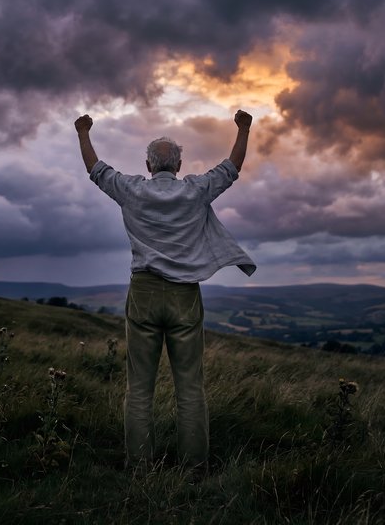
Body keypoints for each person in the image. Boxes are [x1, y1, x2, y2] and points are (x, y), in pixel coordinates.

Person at [74, 110, 256, 472]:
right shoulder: (195, 190)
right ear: (179, 164)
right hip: (184, 295)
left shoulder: (131, 189)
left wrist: (83, 132)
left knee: (139, 389)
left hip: (142, 293)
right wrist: (243, 129)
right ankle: (193, 468)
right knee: (190, 388)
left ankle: (140, 466)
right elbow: (232, 167)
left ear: (147, 164)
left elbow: (95, 169)